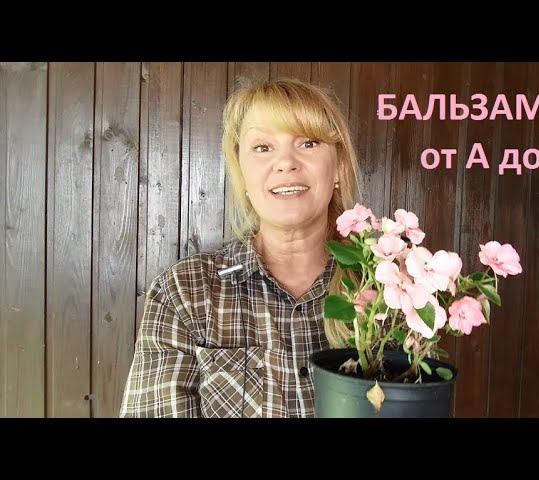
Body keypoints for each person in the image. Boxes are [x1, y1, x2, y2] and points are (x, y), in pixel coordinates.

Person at [119, 78, 361, 418]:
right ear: (242, 171)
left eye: (308, 142)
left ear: (339, 166)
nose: (286, 163)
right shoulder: (184, 292)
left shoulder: (390, 290)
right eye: (263, 147)